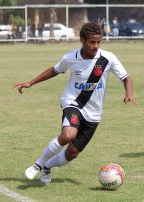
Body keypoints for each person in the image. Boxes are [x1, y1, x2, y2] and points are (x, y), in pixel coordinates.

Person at [13, 22, 136, 184]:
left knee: (72, 152)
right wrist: (30, 82)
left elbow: (126, 78)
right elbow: (54, 70)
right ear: (82, 40)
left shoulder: (108, 58)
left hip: (94, 113)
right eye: (92, 42)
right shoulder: (70, 57)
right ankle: (38, 164)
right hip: (73, 102)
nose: (96, 46)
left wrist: (129, 93)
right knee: (68, 135)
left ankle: (47, 166)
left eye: (98, 42)